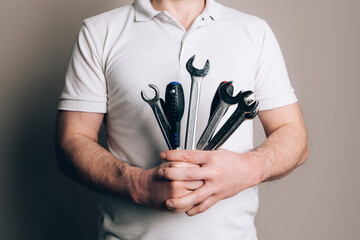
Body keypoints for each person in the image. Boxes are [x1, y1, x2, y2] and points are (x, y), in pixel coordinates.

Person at [55, 0, 309, 239]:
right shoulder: (99, 32)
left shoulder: (254, 32)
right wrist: (138, 184)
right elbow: (72, 140)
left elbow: (293, 135)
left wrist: (248, 168)